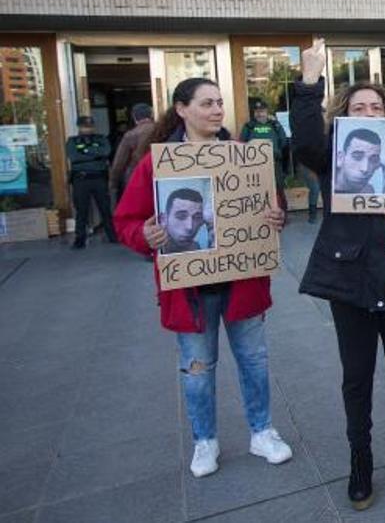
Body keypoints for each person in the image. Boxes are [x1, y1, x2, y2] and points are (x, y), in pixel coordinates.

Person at [114, 77, 292, 479]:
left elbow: (272, 204)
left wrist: (276, 215)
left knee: (254, 362)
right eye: (207, 103)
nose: (216, 110)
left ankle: (262, 432)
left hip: (242, 286)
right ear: (182, 109)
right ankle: (204, 440)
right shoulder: (157, 164)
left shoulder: (243, 155)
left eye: (220, 102)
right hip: (189, 293)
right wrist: (144, 234)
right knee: (197, 368)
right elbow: (126, 220)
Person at [291, 39, 385, 510]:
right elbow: (305, 140)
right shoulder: (332, 157)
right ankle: (360, 460)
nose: (368, 111)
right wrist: (308, 82)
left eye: (376, 105)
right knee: (357, 377)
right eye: (358, 106)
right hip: (348, 282)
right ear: (344, 116)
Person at [66, 115, 117, 248]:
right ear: (79, 127)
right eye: (85, 127)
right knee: (81, 210)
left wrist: (85, 150)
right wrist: (95, 154)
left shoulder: (101, 139)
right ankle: (80, 239)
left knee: (105, 209)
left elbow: (105, 152)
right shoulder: (72, 141)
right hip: (81, 179)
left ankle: (112, 236)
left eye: (89, 126)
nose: (87, 129)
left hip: (99, 178)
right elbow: (74, 157)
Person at [109, 103, 154, 201]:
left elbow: (119, 162)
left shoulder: (130, 135)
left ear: (134, 117)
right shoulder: (161, 130)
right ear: (151, 115)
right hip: (158, 175)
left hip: (137, 176)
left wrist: (113, 183)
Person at [240, 100, 289, 190]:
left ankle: (280, 204)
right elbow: (241, 144)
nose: (259, 114)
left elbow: (283, 141)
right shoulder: (249, 126)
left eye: (262, 111)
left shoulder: (275, 125)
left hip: (274, 162)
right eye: (257, 112)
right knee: (257, 187)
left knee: (278, 187)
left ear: (266, 112)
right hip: (254, 163)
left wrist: (276, 152)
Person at [159, 187, 212, 253]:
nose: (189, 227)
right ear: (163, 219)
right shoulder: (156, 249)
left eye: (197, 217)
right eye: (181, 216)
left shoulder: (195, 247)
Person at [334, 128, 385, 194]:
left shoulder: (368, 191)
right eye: (357, 157)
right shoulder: (327, 185)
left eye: (374, 160)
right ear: (340, 158)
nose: (365, 169)